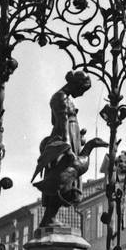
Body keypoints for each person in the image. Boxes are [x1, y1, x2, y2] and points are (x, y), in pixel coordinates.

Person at [32, 70, 108, 228]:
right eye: (82, 90)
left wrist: (78, 138)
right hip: (64, 140)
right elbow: (61, 124)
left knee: (67, 179)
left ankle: (49, 218)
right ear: (75, 85)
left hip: (72, 138)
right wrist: (68, 150)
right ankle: (49, 218)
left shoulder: (64, 98)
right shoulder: (60, 97)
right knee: (62, 178)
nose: (81, 94)